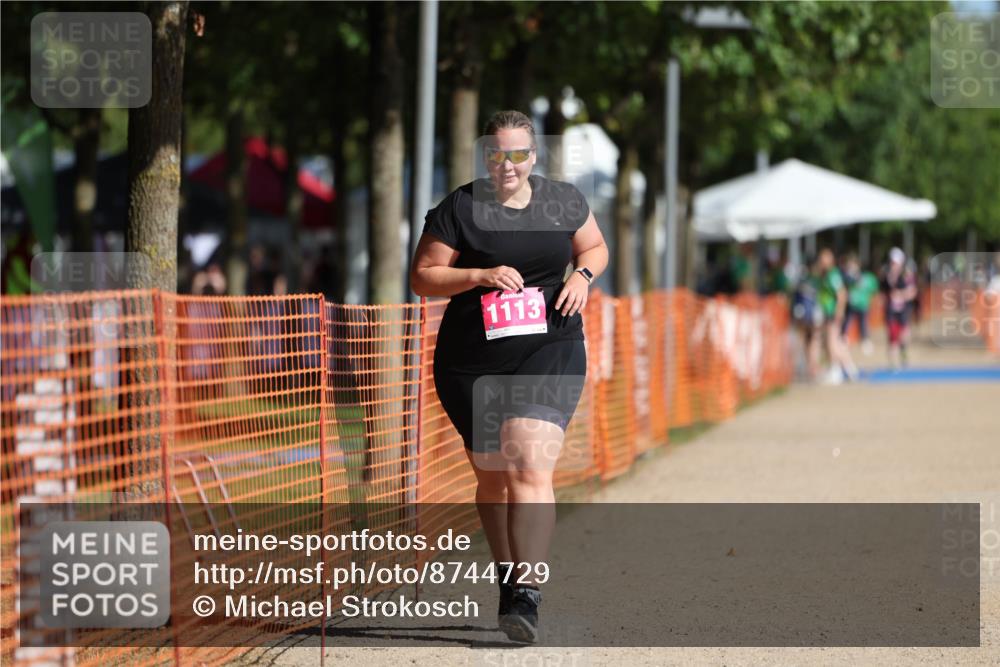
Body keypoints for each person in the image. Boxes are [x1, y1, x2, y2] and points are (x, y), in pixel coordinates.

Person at [410, 110, 609, 643]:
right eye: (497, 154)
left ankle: (528, 590)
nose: (508, 164)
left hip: (552, 345)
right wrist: (478, 275)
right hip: (472, 358)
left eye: (519, 154)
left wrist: (584, 276)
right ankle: (508, 578)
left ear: (533, 156)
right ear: (486, 156)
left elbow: (594, 246)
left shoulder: (562, 200)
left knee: (527, 457)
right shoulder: (462, 206)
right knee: (494, 478)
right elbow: (423, 276)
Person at [816, 248, 858, 384]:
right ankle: (849, 368)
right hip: (829, 312)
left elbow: (841, 294)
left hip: (833, 313)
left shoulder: (833, 275)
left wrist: (839, 312)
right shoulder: (826, 274)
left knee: (832, 342)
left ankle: (837, 370)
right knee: (836, 342)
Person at [880, 247, 917, 369]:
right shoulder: (885, 276)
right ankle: (892, 363)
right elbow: (882, 293)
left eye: (895, 262)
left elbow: (912, 292)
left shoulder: (907, 275)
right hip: (891, 310)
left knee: (904, 335)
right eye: (892, 261)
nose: (893, 264)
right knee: (892, 336)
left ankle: (903, 353)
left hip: (903, 310)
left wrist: (901, 295)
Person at [839, 253, 879, 356]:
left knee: (863, 324)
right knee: (847, 322)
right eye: (849, 265)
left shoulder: (864, 277)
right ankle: (843, 338)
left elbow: (872, 290)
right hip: (851, 305)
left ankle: (865, 340)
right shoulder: (845, 276)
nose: (851, 267)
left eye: (853, 264)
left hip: (862, 305)